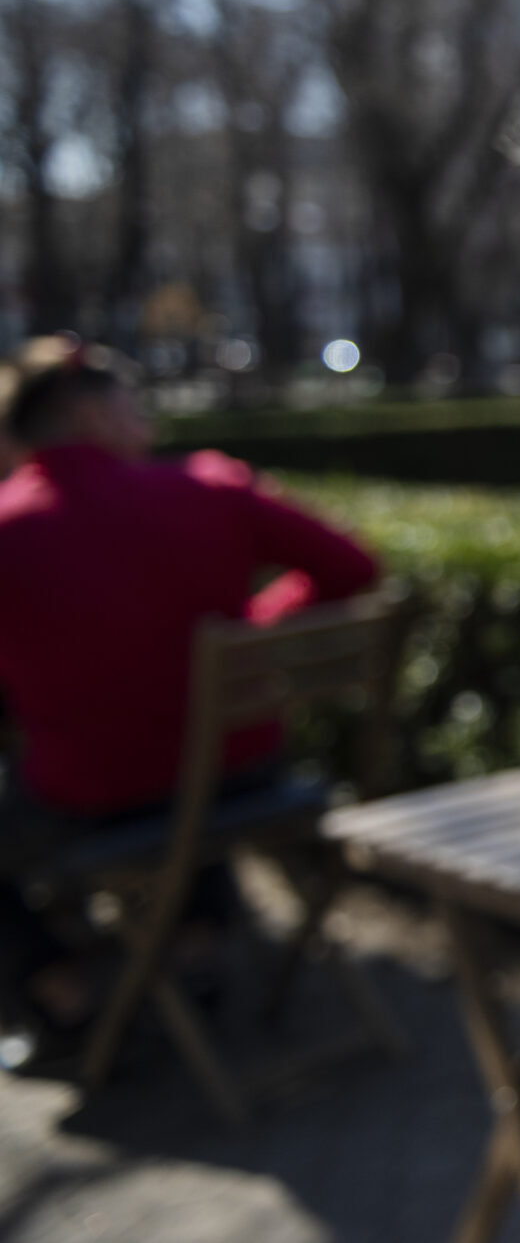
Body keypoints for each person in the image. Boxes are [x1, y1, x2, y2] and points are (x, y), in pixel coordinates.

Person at [0, 345, 380, 1049]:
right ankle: (195, 943)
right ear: (87, 414)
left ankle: (59, 987)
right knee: (182, 763)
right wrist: (243, 640)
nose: (144, 420)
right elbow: (353, 564)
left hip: (98, 797)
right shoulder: (209, 486)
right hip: (246, 775)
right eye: (131, 404)